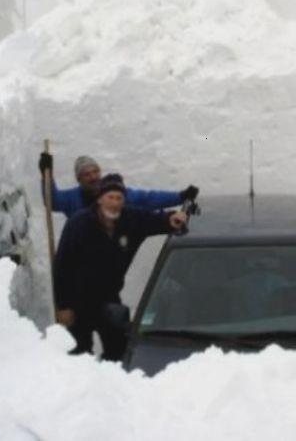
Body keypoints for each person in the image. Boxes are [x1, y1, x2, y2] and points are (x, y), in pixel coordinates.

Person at [53, 173, 194, 360]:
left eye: (119, 198)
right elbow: (62, 265)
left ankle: (111, 380)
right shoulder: (79, 223)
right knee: (79, 354)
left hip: (109, 299)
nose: (114, 202)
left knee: (118, 351)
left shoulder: (129, 220)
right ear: (100, 199)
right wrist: (63, 306)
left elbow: (152, 220)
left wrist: (170, 219)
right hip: (78, 302)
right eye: (110, 197)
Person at [39, 152, 198, 218]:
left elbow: (148, 199)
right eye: (87, 174)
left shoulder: (114, 194)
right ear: (79, 179)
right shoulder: (72, 198)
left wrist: (180, 196)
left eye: (95, 172)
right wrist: (47, 175)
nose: (93, 177)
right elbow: (53, 201)